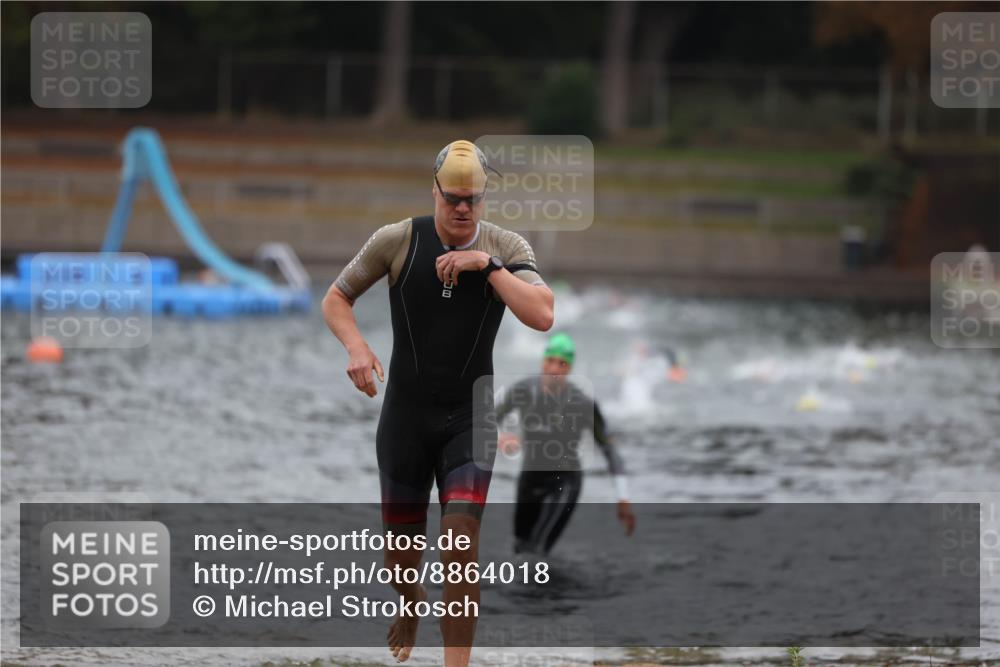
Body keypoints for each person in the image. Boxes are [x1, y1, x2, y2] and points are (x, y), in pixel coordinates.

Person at [322, 139, 554, 667]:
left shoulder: (505, 245)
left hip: (469, 419)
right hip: (404, 419)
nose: (462, 209)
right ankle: (410, 603)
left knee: (458, 546)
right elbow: (336, 298)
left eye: (472, 199)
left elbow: (542, 314)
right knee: (401, 557)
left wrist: (487, 265)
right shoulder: (397, 240)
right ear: (435, 191)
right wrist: (357, 347)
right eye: (453, 198)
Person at [495, 332, 636, 556]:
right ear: (543, 361)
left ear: (569, 369)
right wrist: (500, 437)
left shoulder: (582, 403)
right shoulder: (523, 391)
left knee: (538, 552)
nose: (554, 369)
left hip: (565, 482)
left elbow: (609, 449)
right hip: (529, 480)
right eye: (550, 361)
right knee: (520, 548)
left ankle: (543, 590)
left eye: (562, 364)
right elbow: (487, 421)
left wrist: (623, 497)